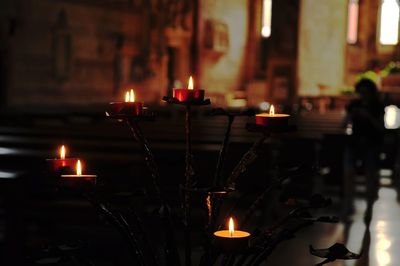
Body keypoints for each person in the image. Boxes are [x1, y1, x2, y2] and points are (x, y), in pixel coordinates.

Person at [342, 78, 385, 217]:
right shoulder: (354, 104)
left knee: (370, 176)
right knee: (349, 174)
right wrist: (351, 115)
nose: (363, 95)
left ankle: (369, 207)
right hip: (354, 143)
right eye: (361, 92)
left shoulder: (377, 105)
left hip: (371, 144)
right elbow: (343, 124)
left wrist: (368, 116)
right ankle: (348, 205)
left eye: (366, 93)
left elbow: (381, 127)